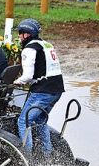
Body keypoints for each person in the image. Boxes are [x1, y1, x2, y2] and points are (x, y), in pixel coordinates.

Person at [13, 19, 64, 158]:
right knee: (40, 120)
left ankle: (26, 159)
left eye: (20, 34)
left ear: (26, 34)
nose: (19, 37)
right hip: (57, 90)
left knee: (24, 121)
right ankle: (47, 154)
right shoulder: (46, 44)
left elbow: (27, 76)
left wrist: (16, 82)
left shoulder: (29, 48)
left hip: (42, 91)